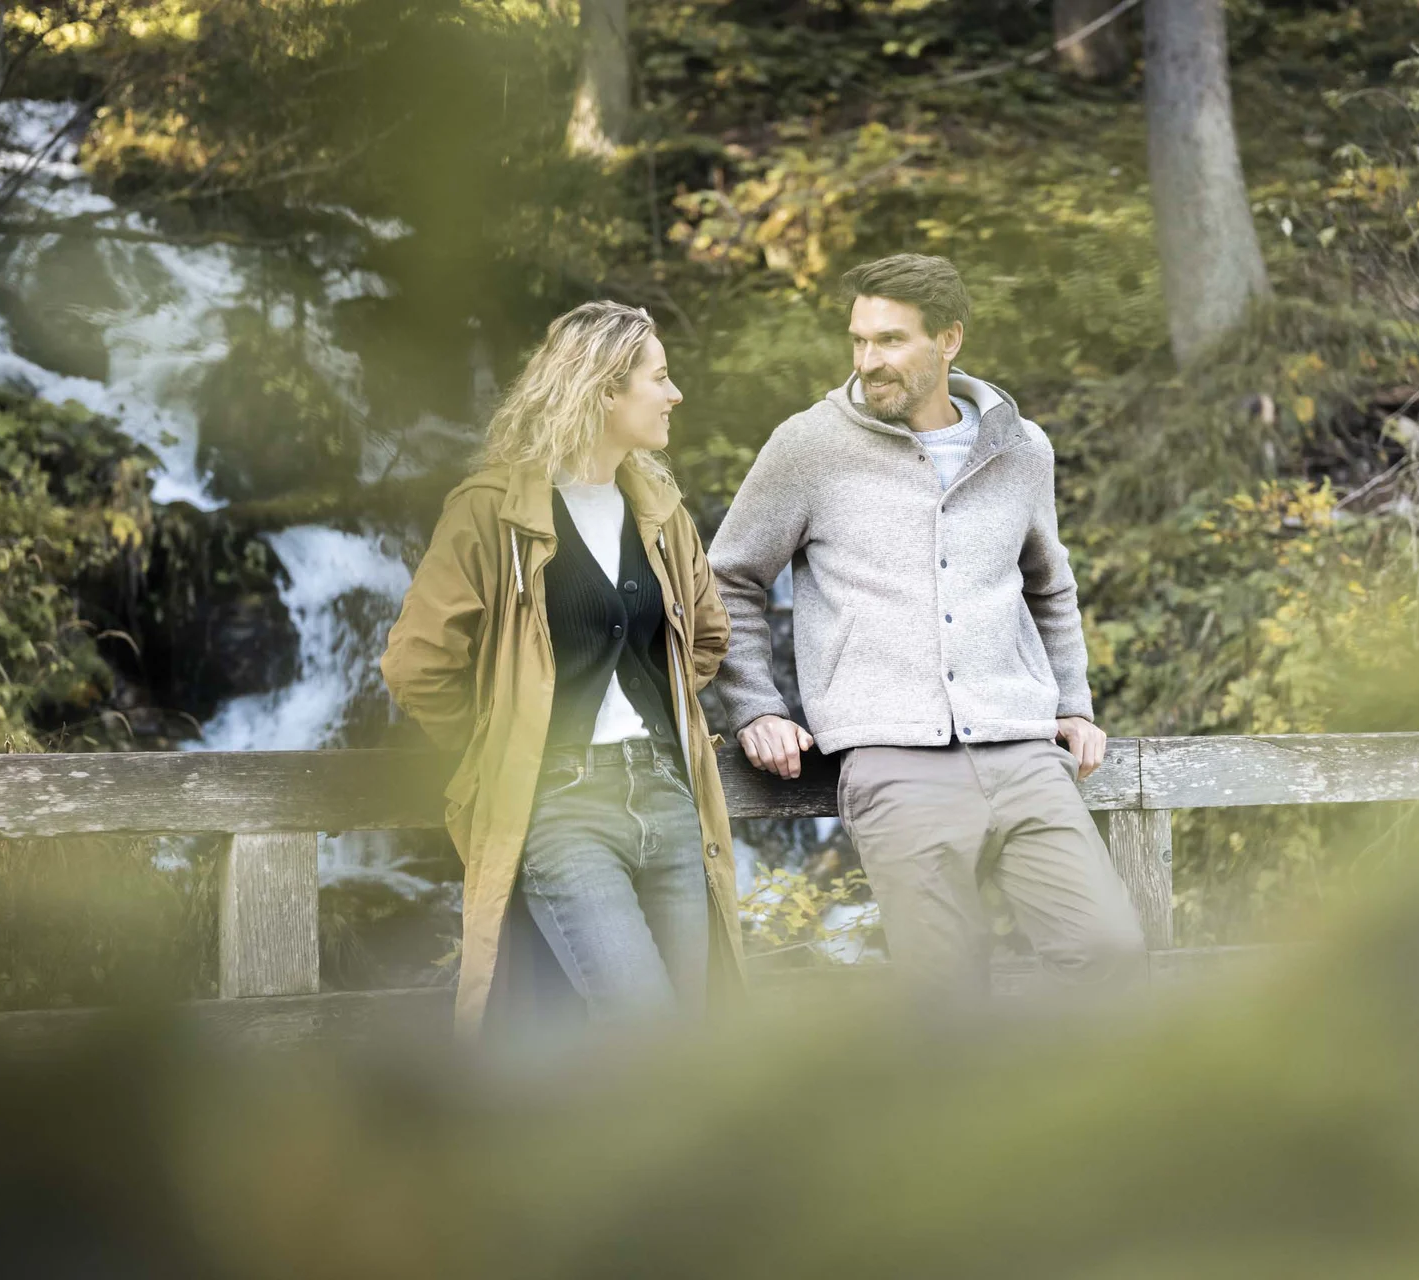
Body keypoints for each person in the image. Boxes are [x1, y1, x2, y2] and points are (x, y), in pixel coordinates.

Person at [709, 253, 1146, 996]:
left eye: (891, 341)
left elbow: (1050, 584)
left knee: (1109, 948)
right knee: (945, 986)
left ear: (948, 341)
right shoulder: (808, 445)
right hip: (893, 758)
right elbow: (728, 578)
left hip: (1021, 747)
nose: (868, 360)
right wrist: (755, 707)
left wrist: (1072, 701)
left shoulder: (1020, 450)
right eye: (859, 341)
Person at [380, 301, 740, 1034]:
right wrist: (500, 745)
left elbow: (705, 637)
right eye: (660, 378)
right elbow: (417, 663)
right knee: (646, 1032)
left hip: (669, 798)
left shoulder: (660, 511)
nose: (675, 396)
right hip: (562, 807)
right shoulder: (491, 513)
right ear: (605, 389)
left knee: (694, 1048)